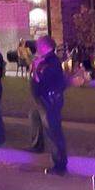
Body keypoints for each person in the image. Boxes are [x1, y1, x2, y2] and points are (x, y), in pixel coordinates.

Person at [28, 35, 68, 175]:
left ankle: (60, 165)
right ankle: (38, 146)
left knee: (54, 132)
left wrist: (37, 69)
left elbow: (47, 81)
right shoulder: (44, 60)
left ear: (46, 46)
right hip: (41, 99)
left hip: (49, 101)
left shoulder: (52, 62)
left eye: (39, 44)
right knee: (39, 121)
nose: (37, 46)